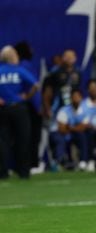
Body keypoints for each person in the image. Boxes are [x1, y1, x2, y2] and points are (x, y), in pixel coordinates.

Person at [0, 46, 39, 179]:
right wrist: (27, 96)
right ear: (13, 57)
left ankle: (3, 172)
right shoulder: (19, 71)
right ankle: (23, 171)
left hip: (2, 109)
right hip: (18, 108)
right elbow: (36, 85)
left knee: (2, 141)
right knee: (23, 139)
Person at [14, 41, 44, 174]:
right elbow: (34, 87)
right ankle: (32, 164)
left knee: (15, 137)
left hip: (13, 105)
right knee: (31, 136)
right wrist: (38, 106)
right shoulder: (25, 66)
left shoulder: (10, 67)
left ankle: (15, 165)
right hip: (28, 106)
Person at [51, 89, 90, 171]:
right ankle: (59, 162)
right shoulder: (64, 110)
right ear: (71, 99)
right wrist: (75, 128)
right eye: (74, 97)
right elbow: (61, 129)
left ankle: (83, 161)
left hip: (73, 132)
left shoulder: (85, 110)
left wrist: (70, 127)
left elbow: (84, 126)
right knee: (60, 139)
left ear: (81, 98)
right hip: (60, 133)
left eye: (77, 97)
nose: (76, 99)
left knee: (83, 136)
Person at [42, 49, 82, 120]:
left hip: (73, 107)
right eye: (67, 56)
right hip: (57, 106)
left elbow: (79, 91)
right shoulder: (55, 72)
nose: (69, 59)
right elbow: (47, 91)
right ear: (63, 58)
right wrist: (48, 108)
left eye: (71, 57)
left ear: (75, 58)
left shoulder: (78, 72)